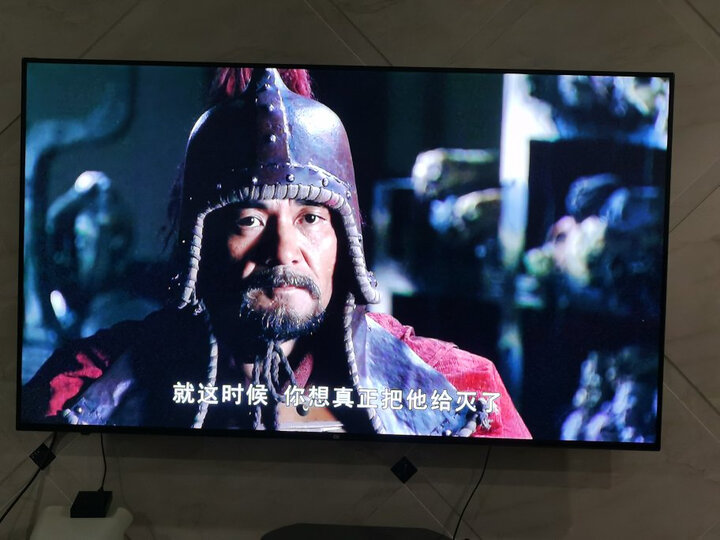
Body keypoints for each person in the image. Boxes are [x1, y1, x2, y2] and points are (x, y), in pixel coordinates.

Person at [22, 67, 530, 439]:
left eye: (311, 218)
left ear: (344, 241)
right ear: (201, 241)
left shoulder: (461, 397)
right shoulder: (84, 390)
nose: (284, 250)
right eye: (249, 220)